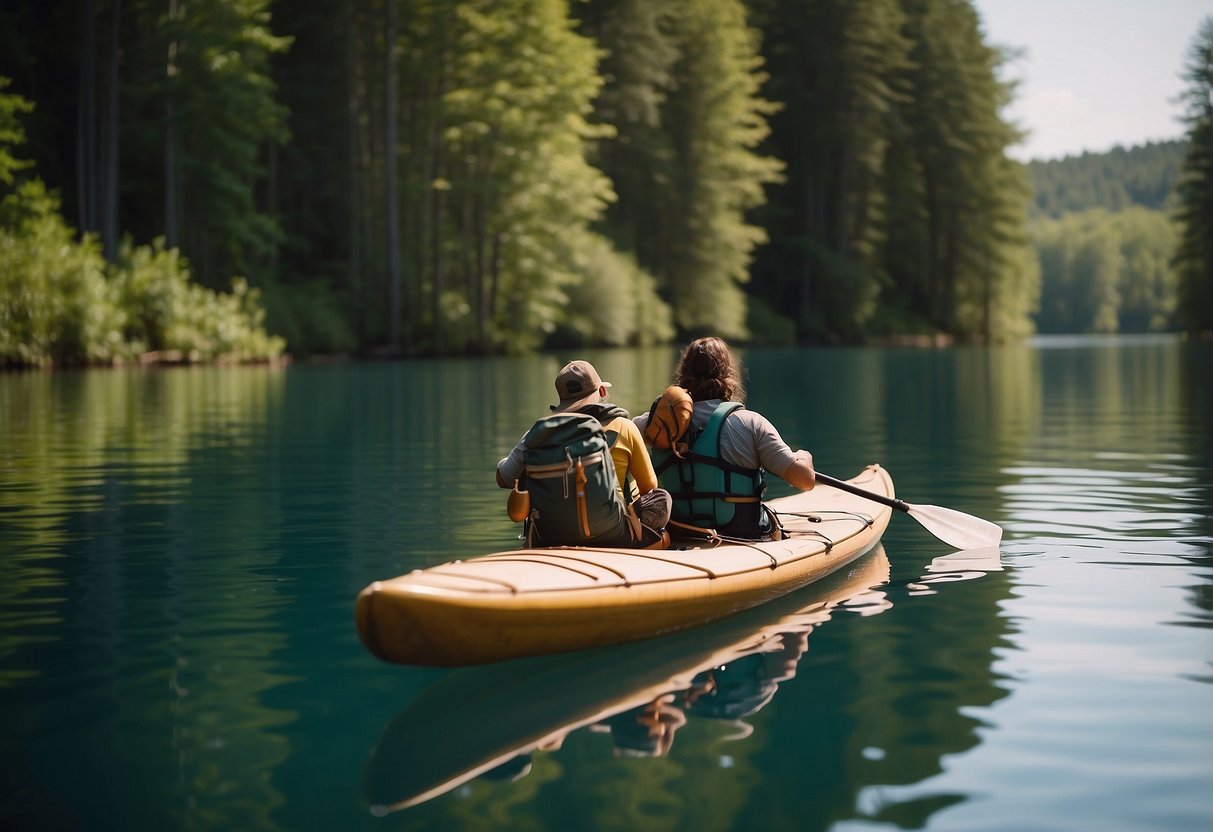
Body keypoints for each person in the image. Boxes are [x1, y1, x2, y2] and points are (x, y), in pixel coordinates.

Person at [634, 336, 815, 540]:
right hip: (739, 535)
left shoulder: (652, 424)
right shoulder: (750, 423)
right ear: (728, 375)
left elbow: (617, 439)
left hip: (677, 533)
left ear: (683, 374)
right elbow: (805, 481)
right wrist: (803, 456)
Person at [497, 360, 671, 547]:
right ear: (602, 392)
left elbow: (504, 478)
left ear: (562, 402)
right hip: (611, 534)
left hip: (549, 537)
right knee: (663, 518)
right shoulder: (624, 427)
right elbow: (649, 486)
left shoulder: (537, 435)